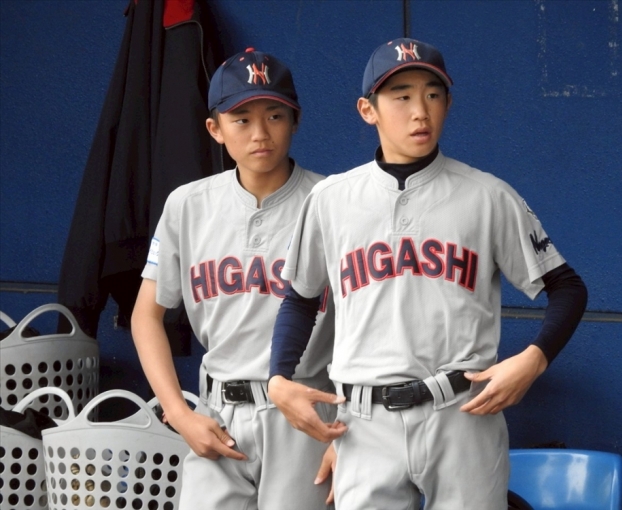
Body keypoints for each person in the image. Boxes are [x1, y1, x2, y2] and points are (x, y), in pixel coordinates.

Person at [268, 38, 588, 509]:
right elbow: (300, 297)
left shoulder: (487, 195)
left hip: (460, 411)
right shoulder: (330, 199)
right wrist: (278, 378)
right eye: (401, 96)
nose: (421, 111)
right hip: (363, 421)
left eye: (433, 94)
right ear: (367, 110)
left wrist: (533, 360)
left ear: (448, 103)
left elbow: (567, 287)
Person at [131, 48, 336, 510]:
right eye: (242, 119)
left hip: (305, 412)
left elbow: (367, 326)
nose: (260, 133)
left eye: (275, 115)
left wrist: (351, 435)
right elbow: (146, 315)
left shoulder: (333, 201)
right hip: (217, 412)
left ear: (296, 120)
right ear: (215, 128)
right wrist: (179, 414)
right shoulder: (186, 205)